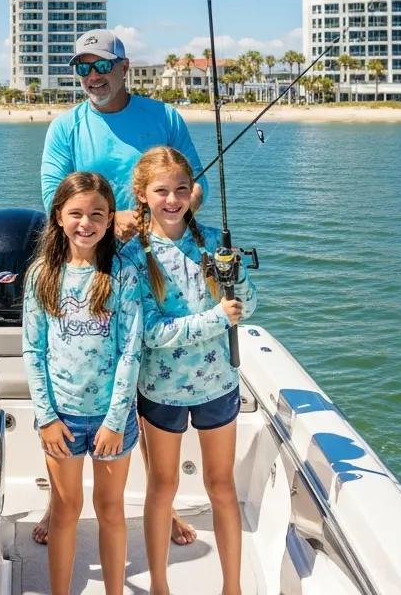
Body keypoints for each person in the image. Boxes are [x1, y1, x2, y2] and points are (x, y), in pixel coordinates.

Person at [36, 29, 208, 547]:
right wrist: (111, 224)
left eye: (101, 65)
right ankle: (57, 503)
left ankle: (163, 505)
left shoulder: (165, 116)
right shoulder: (66, 126)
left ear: (124, 66)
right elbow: (51, 198)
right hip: (87, 265)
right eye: (82, 68)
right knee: (78, 381)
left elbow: (194, 184)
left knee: (145, 385)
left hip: (152, 265)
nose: (93, 76)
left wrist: (157, 217)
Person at [127, 146, 256, 595]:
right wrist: (219, 317)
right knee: (162, 487)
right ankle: (159, 585)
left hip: (218, 384)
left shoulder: (214, 241)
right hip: (161, 390)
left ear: (192, 192)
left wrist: (239, 288)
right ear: (142, 195)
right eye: (161, 190)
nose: (173, 198)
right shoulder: (132, 256)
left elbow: (249, 302)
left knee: (221, 485)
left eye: (181, 188)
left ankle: (233, 586)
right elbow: (153, 333)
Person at [22, 172, 143, 595]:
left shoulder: (124, 272)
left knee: (110, 509)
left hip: (113, 419)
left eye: (96, 214)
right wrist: (46, 417)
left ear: (111, 219)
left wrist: (115, 419)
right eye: (76, 214)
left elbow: (131, 351)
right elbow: (32, 352)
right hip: (62, 418)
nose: (85, 223)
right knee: (65, 509)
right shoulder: (41, 274)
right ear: (58, 217)